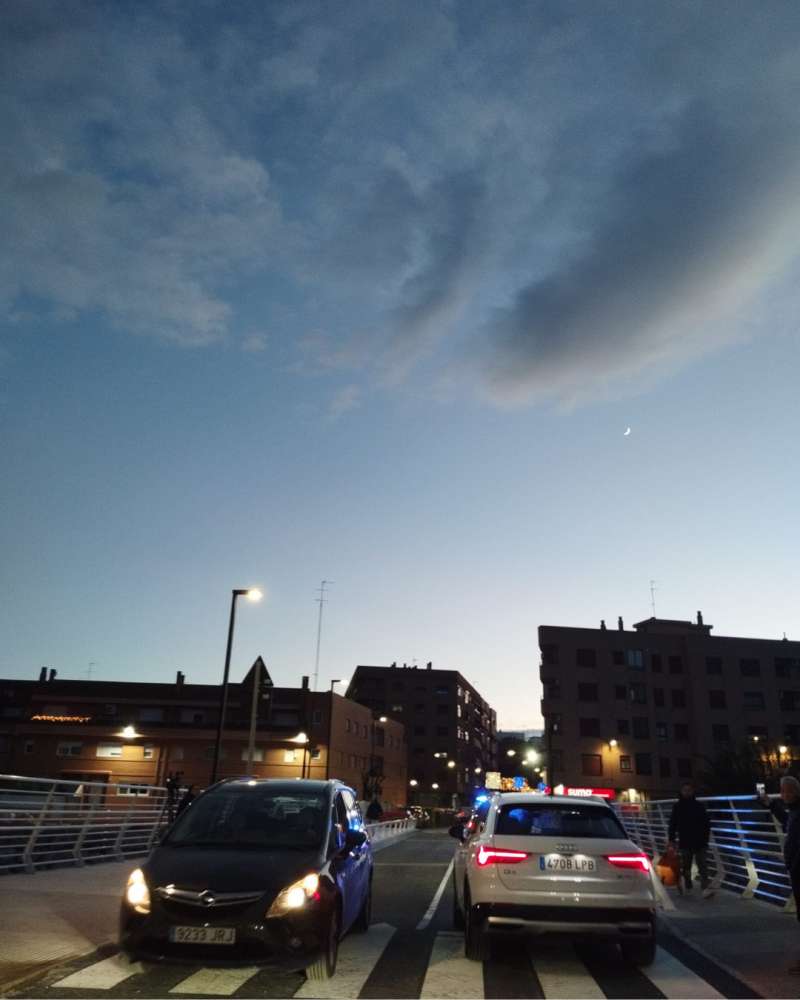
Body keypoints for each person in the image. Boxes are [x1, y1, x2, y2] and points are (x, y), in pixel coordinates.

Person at [760, 776, 800, 973]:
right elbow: (787, 822)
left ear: (794, 791)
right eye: (782, 791)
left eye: (785, 791)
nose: (783, 795)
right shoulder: (794, 811)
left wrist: (792, 863)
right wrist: (771, 804)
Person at [668, 781, 714, 897]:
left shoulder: (699, 806)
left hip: (700, 841)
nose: (687, 792)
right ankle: (688, 885)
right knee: (686, 867)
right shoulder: (677, 807)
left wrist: (706, 839)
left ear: (693, 792)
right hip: (685, 841)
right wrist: (671, 839)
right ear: (681, 792)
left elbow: (706, 824)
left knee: (702, 865)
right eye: (685, 790)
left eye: (689, 790)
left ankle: (705, 889)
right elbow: (672, 824)